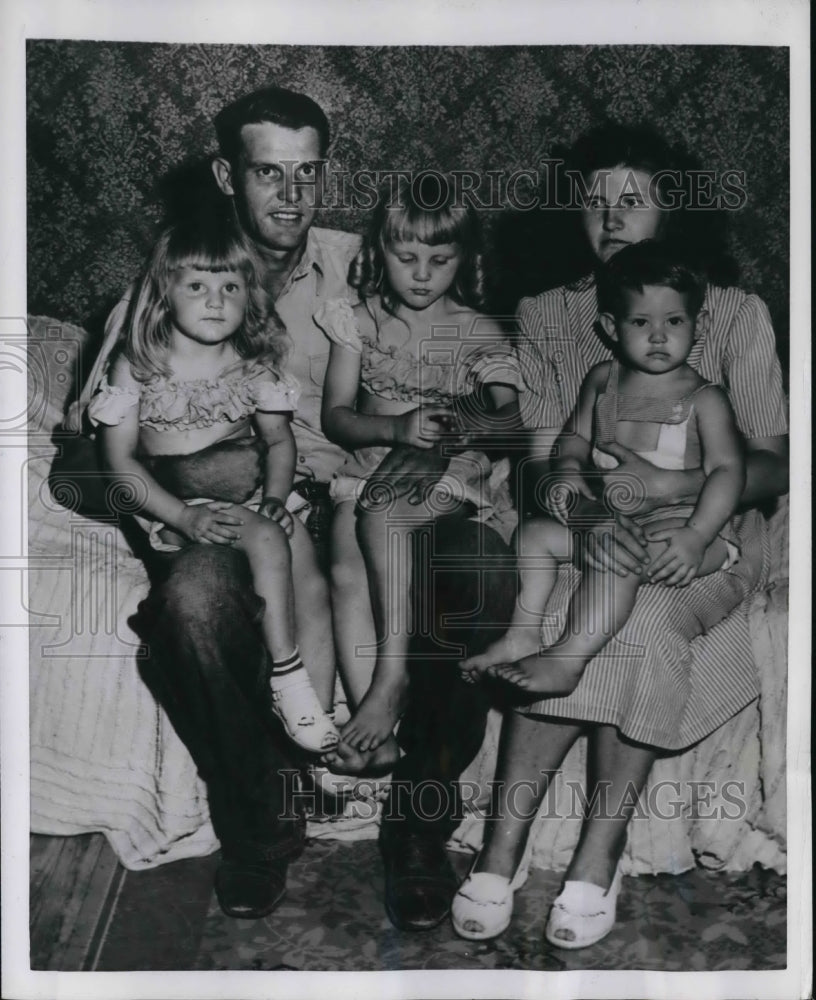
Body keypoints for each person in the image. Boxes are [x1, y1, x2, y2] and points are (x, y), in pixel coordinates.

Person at [58, 86, 517, 931]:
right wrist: (175, 509)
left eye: (308, 174)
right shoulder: (172, 284)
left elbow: (487, 370)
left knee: (480, 570)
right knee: (192, 601)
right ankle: (262, 819)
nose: (293, 196)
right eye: (270, 173)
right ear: (226, 175)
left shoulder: (366, 263)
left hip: (363, 492)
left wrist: (443, 441)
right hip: (229, 508)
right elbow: (85, 457)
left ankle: (417, 824)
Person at [450, 122, 787, 950]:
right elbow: (546, 458)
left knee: (633, 619)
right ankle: (501, 853)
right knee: (574, 598)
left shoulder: (734, 315)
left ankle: (593, 862)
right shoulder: (552, 316)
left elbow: (773, 464)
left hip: (703, 536)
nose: (608, 217)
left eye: (631, 200)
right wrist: (588, 515)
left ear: (672, 210)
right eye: (594, 201)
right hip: (592, 526)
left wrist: (676, 488)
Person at [90, 211, 338, 753]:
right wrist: (182, 516)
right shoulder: (140, 363)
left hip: (247, 495)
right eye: (197, 286)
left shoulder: (253, 363)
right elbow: (119, 464)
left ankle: (315, 721)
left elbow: (277, 442)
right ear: (165, 291)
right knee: (270, 538)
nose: (215, 300)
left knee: (309, 572)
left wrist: (275, 496)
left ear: (249, 294)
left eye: (230, 286)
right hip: (170, 503)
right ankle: (287, 675)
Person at [462, 240, 745, 697]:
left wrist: (697, 535)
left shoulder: (704, 398)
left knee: (623, 559)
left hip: (681, 529)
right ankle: (522, 633)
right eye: (641, 322)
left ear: (700, 324)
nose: (658, 336)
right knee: (532, 535)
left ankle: (568, 659)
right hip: (611, 520)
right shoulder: (601, 379)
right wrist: (570, 473)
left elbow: (729, 470)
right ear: (612, 327)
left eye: (674, 321)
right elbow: (573, 438)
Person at [317, 174, 522, 769]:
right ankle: (374, 732)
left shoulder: (478, 330)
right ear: (380, 251)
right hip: (372, 460)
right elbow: (337, 417)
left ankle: (391, 680)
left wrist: (449, 426)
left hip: (450, 469)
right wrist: (394, 428)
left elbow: (511, 417)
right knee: (342, 552)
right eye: (406, 257)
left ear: (466, 258)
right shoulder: (355, 320)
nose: (423, 274)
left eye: (441, 258)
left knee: (383, 511)